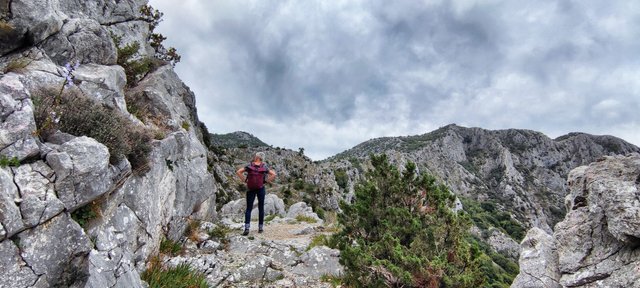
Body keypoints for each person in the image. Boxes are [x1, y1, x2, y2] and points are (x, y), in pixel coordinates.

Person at [236, 151, 276, 236]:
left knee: (249, 209)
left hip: (250, 188)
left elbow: (238, 172)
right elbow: (273, 174)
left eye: (255, 156)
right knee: (261, 208)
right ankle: (260, 228)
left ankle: (247, 228)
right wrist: (265, 181)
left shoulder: (249, 165)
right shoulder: (264, 166)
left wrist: (245, 180)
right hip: (260, 188)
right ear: (262, 158)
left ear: (257, 157)